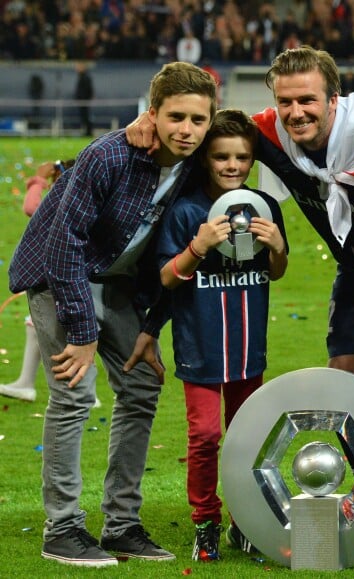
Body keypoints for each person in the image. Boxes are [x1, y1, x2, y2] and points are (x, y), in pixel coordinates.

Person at [125, 44, 354, 554]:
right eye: (285, 102)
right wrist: (138, 126)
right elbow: (209, 134)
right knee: (340, 387)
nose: (296, 111)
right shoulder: (269, 132)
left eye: (308, 100)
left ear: (335, 98)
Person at [8, 61, 217, 568]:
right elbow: (63, 244)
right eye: (176, 118)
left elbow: (173, 254)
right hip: (60, 275)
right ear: (153, 114)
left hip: (120, 283)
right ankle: (62, 529)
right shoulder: (109, 154)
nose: (186, 130)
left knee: (142, 386)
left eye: (198, 120)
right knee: (73, 393)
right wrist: (81, 332)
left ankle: (122, 525)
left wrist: (149, 328)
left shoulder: (196, 163)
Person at [157, 108, 288, 562]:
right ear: (204, 159)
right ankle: (205, 521)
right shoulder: (186, 210)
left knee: (248, 438)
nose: (232, 166)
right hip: (201, 347)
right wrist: (199, 246)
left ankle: (245, 522)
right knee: (207, 437)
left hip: (249, 349)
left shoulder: (263, 206)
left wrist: (276, 248)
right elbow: (168, 278)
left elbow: (277, 271)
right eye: (221, 157)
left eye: (242, 157)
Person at [0, 160, 102, 408]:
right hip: (68, 278)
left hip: (69, 278)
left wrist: (38, 180)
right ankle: (26, 383)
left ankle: (85, 391)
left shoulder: (73, 201)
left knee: (77, 333)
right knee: (36, 325)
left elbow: (31, 207)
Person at [74, 63, 94, 137]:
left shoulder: (85, 77)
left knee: (86, 116)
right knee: (84, 117)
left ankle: (89, 131)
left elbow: (88, 90)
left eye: (79, 67)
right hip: (82, 100)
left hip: (84, 101)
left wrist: (84, 98)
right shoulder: (82, 77)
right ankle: (87, 131)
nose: (77, 69)